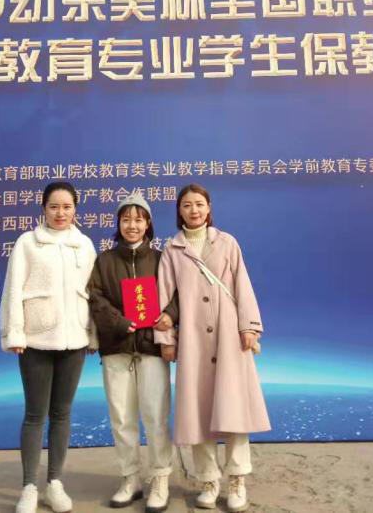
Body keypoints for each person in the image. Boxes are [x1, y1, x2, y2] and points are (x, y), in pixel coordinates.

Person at [154, 184, 270, 512]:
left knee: (234, 410)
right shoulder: (172, 249)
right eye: (187, 205)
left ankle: (237, 479)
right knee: (198, 412)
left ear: (209, 208)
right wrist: (166, 340)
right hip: (193, 341)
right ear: (179, 211)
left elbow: (242, 284)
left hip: (229, 336)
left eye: (199, 204)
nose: (194, 210)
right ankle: (208, 479)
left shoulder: (227, 242)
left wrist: (249, 327)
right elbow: (164, 296)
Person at [0, 181, 98, 513]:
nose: (60, 213)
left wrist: (93, 335)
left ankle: (55, 483)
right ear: (43, 208)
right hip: (36, 341)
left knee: (62, 414)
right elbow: (13, 289)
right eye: (54, 206)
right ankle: (29, 486)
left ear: (76, 210)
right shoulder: (27, 243)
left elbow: (93, 294)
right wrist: (15, 333)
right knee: (34, 415)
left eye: (67, 207)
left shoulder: (84, 245)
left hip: (74, 341)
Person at [88, 192, 172, 512]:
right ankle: (130, 478)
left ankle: (160, 478)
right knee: (121, 417)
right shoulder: (105, 261)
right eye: (126, 219)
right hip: (116, 349)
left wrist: (168, 317)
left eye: (138, 219)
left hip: (151, 349)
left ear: (148, 224)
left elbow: (177, 295)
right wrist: (121, 323)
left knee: (155, 416)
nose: (132, 225)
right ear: (118, 223)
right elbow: (95, 297)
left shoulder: (162, 259)